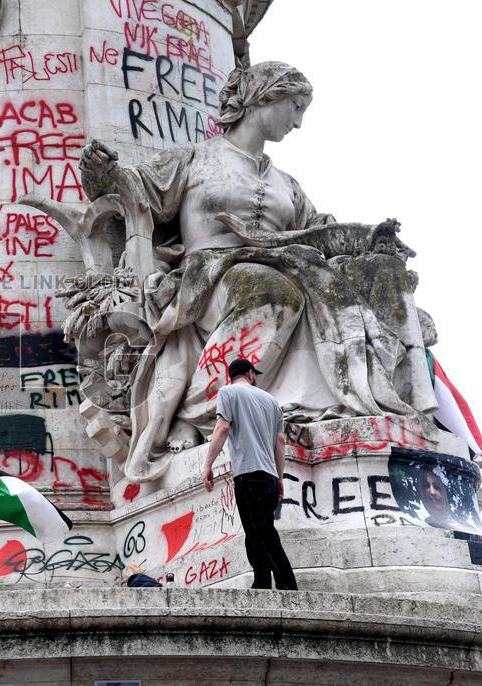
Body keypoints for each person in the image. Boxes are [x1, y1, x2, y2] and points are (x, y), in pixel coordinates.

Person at [67, 61, 435, 482]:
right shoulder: (194, 159)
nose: (297, 123)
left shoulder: (287, 184)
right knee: (273, 291)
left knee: (383, 275)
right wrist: (102, 173)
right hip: (207, 275)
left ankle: (389, 407)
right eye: (294, 107)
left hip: (284, 267)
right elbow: (134, 193)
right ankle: (196, 408)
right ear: (264, 98)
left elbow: (320, 232)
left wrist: (372, 242)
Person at [202, 358, 297, 590]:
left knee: (261, 532)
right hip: (269, 476)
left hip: (248, 474)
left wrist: (207, 464)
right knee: (256, 533)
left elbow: (222, 427)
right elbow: (280, 441)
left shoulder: (228, 392)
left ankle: (287, 585)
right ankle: (262, 583)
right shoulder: (271, 401)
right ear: (250, 374)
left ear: (231, 376)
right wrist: (279, 476)